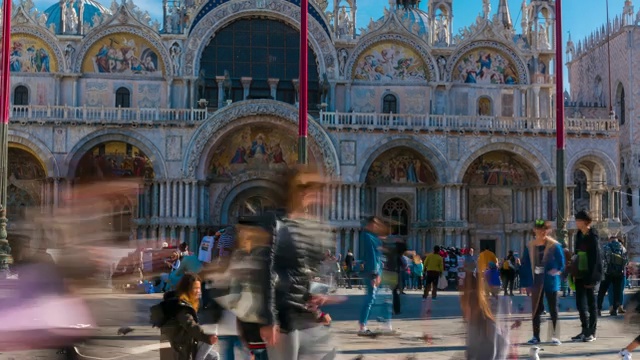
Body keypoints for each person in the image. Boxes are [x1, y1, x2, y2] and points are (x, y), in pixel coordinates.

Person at [266, 167, 336, 359]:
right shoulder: (276, 224)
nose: (310, 192)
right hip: (283, 318)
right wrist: (270, 319)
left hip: (302, 317)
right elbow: (266, 275)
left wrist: (318, 306)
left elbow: (305, 274)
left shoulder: (307, 226)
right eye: (304, 187)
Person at [519, 219, 564, 345]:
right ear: (535, 230)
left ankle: (555, 336)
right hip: (536, 281)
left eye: (544, 229)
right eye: (539, 229)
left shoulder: (555, 245)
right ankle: (535, 336)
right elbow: (526, 265)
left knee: (553, 308)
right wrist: (526, 284)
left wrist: (557, 270)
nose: (542, 232)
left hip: (550, 281)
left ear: (548, 231)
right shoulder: (530, 246)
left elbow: (561, 262)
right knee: (536, 310)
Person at [159, 273, 218, 360]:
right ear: (187, 288)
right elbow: (190, 325)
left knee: (213, 356)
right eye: (195, 288)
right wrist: (207, 337)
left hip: (180, 346)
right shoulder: (181, 305)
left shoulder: (178, 301)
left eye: (199, 288)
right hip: (180, 349)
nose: (198, 292)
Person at [571, 210, 602, 342]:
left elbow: (595, 258)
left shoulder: (592, 236)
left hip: (590, 273)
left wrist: (591, 277)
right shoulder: (578, 235)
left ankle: (592, 332)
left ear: (585, 221)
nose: (576, 222)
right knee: (580, 303)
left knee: (591, 303)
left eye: (578, 220)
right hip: (579, 272)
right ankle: (584, 330)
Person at [460, 274, 509, 360]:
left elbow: (502, 343)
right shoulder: (472, 324)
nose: (463, 310)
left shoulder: (487, 323)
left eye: (465, 306)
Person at [358, 216, 385, 335]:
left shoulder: (373, 237)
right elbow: (371, 255)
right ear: (371, 224)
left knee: (372, 298)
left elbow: (378, 256)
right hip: (371, 272)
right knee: (370, 298)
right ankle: (362, 326)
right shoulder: (367, 236)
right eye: (376, 224)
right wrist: (374, 273)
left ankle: (364, 324)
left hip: (376, 271)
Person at [598, 236, 627, 316]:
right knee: (617, 292)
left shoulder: (606, 247)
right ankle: (614, 310)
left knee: (602, 291)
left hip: (607, 273)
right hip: (618, 274)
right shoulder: (623, 248)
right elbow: (625, 261)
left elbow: (601, 259)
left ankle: (598, 309)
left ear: (610, 241)